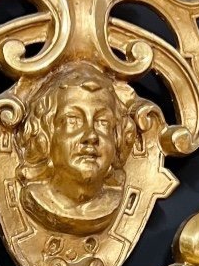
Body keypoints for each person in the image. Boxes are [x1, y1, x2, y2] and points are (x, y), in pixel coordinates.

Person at [15, 61, 139, 233]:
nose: (91, 136)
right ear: (45, 135)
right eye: (73, 120)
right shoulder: (37, 197)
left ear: (117, 138)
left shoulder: (120, 201)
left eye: (103, 122)